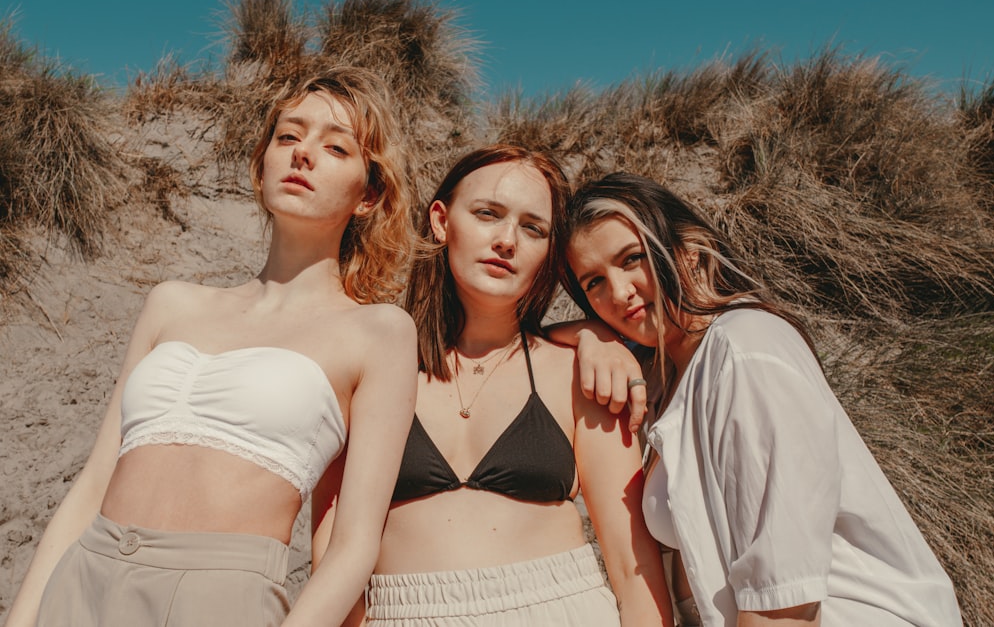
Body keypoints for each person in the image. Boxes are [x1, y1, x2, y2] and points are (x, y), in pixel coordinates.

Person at [5, 67, 419, 627]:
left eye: (336, 147)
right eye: (289, 137)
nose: (303, 155)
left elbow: (353, 546)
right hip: (83, 577)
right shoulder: (171, 303)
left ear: (369, 195)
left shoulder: (379, 333)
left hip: (220, 600)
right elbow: (95, 481)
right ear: (261, 163)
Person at [561, 172, 963, 626]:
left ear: (689, 251)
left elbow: (782, 600)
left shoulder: (744, 349)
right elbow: (524, 342)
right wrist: (591, 335)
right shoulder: (669, 376)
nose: (618, 292)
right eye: (593, 282)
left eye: (632, 258)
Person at [314, 145, 673, 626]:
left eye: (533, 228)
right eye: (487, 214)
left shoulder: (579, 372)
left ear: (547, 252)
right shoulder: (371, 368)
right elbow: (332, 544)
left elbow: (634, 567)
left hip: (560, 607)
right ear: (442, 221)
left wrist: (594, 336)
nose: (507, 240)